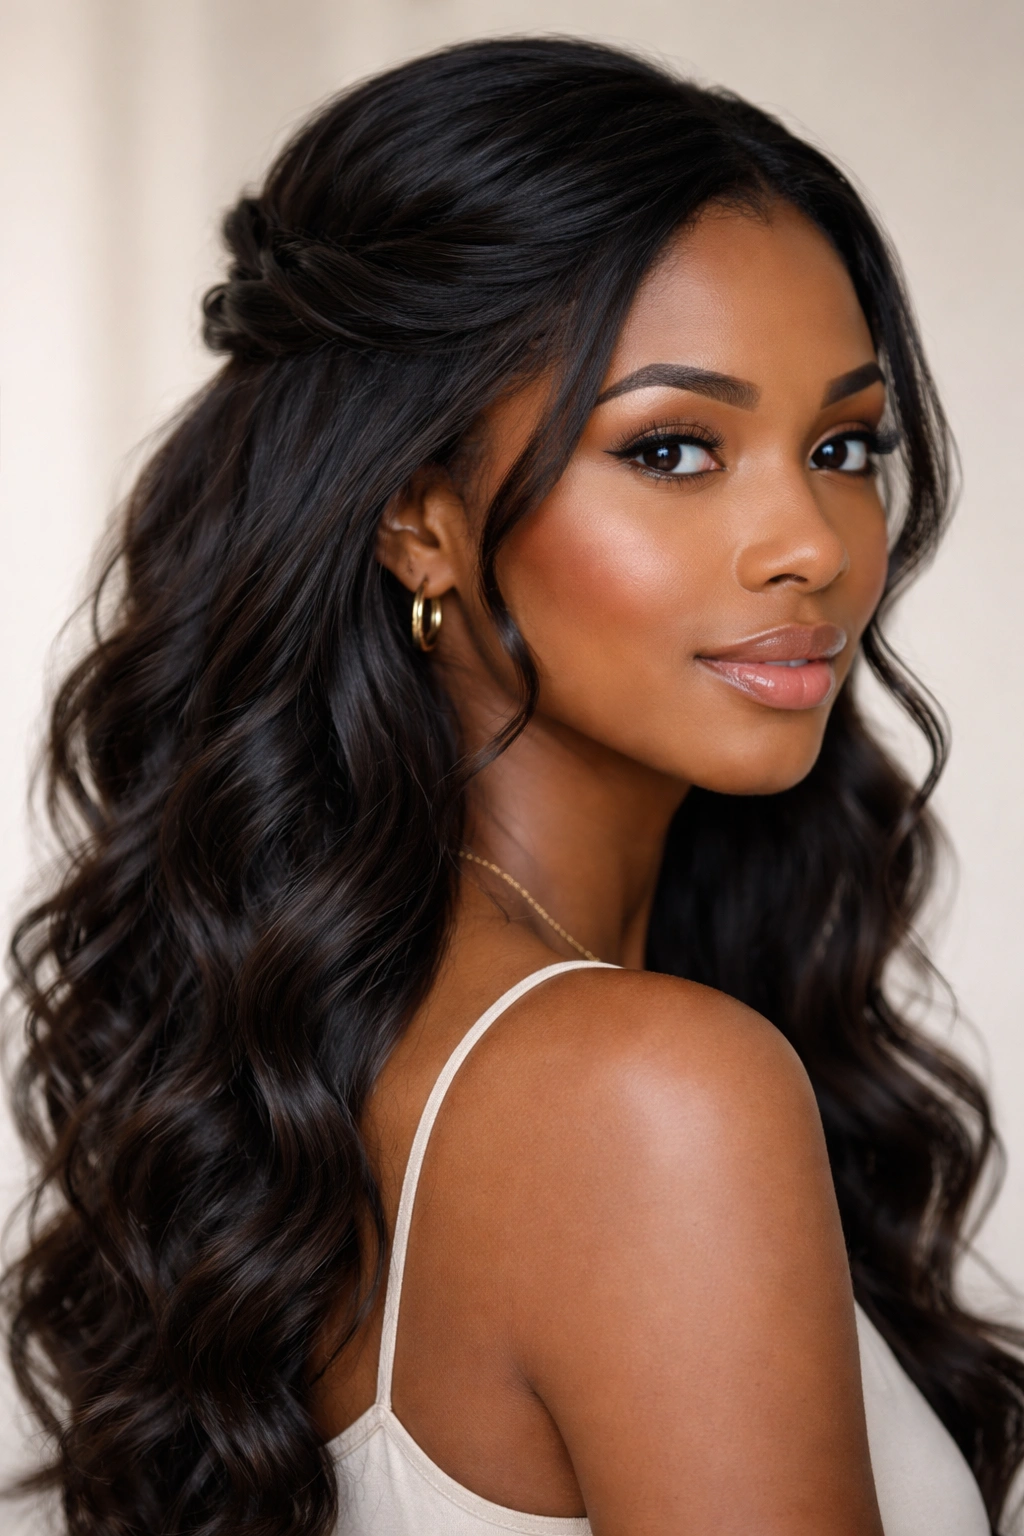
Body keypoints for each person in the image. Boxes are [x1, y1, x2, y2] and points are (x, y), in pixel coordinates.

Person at [4, 35, 1023, 1536]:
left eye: (842, 443)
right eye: (675, 447)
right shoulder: (649, 1092)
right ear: (418, 519)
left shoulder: (331, 1059)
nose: (810, 540)